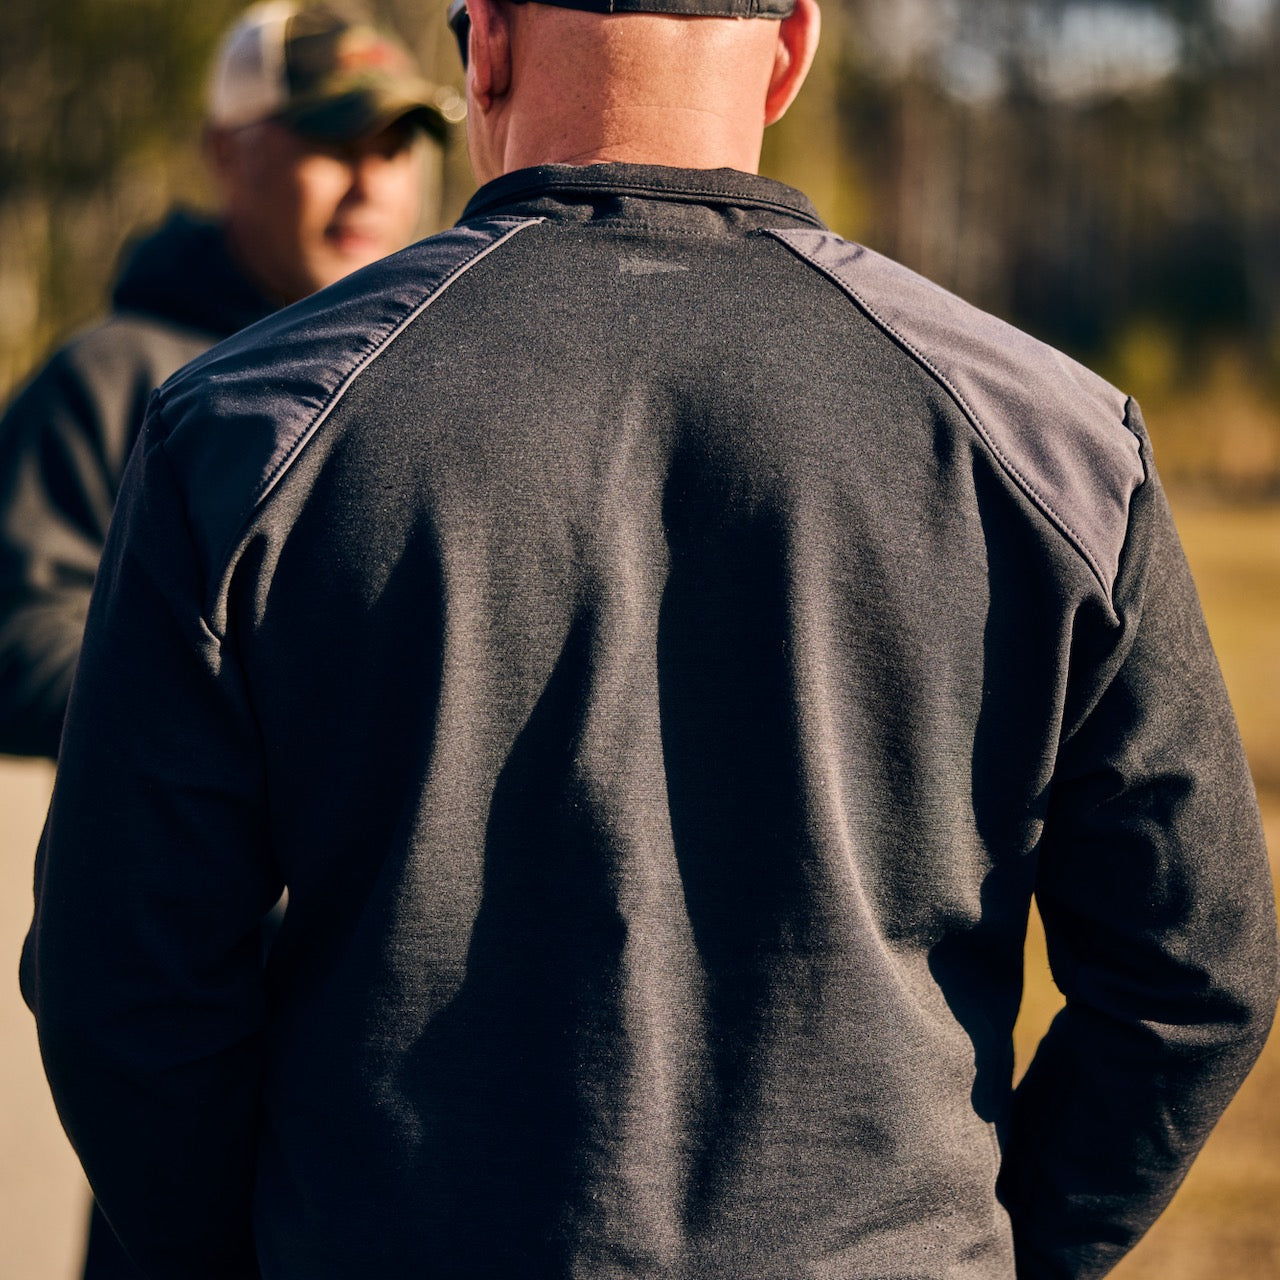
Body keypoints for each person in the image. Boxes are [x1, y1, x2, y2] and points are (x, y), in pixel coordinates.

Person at [20, 0, 1279, 1276]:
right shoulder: (1052, 445)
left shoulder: (247, 430)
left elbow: (119, 984)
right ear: (791, 46)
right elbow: (1194, 974)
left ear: (488, 43)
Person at [0, 0, 457, 759]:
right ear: (226, 151)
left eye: (396, 144)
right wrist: (261, 721)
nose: (370, 183)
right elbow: (18, 640)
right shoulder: (113, 381)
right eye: (333, 138)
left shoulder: (441, 377)